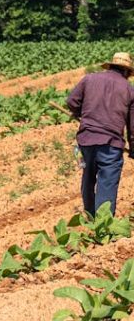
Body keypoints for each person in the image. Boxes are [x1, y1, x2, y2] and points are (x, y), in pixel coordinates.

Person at [66, 52, 134, 216]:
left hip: (86, 140)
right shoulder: (129, 90)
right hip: (111, 144)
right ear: (126, 71)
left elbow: (72, 101)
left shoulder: (89, 79)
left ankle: (90, 215)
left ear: (110, 66)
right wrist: (133, 148)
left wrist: (81, 113)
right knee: (107, 182)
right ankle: (102, 224)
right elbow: (133, 126)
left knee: (88, 176)